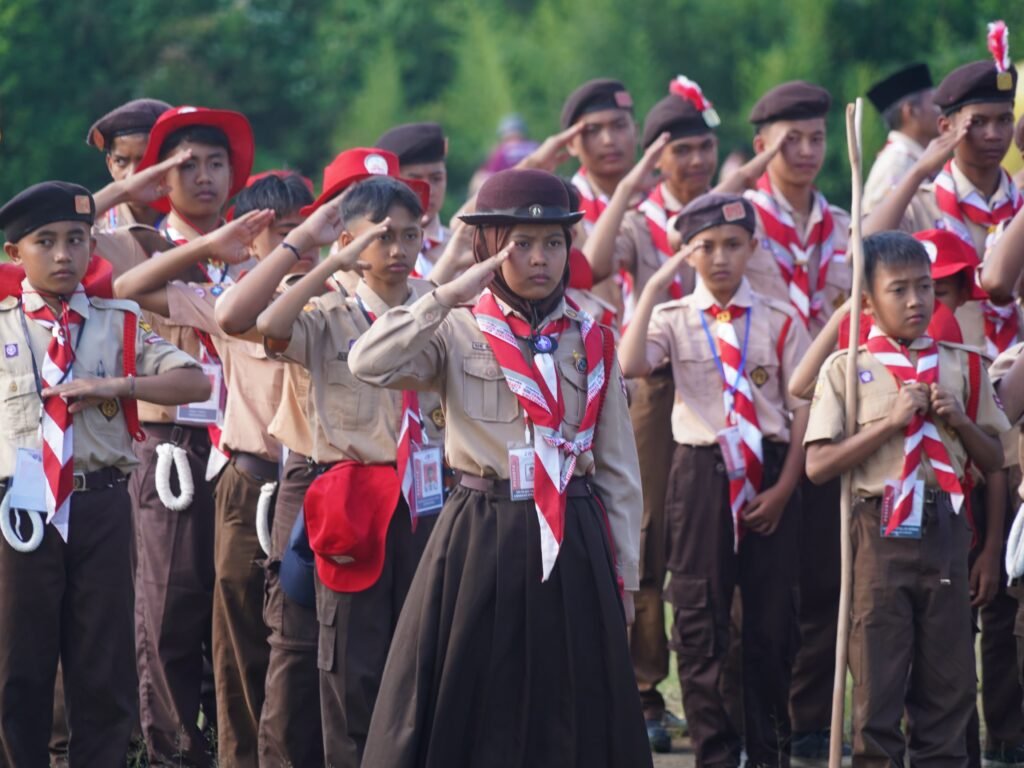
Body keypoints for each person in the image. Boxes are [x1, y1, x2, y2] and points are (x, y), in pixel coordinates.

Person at [348, 168, 650, 767]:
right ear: (488, 249)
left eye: (554, 244)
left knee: (573, 698)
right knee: (471, 692)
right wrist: (442, 295)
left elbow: (618, 471)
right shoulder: (454, 329)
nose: (539, 259)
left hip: (575, 535)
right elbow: (367, 362)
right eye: (520, 244)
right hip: (481, 531)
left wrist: (628, 577)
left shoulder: (592, 338)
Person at [0, 181, 211, 766]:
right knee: (20, 669)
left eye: (77, 240)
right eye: (46, 242)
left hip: (101, 504)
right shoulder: (5, 326)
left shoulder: (118, 322)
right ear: (15, 254)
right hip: (22, 506)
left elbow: (195, 381)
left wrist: (119, 385)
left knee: (102, 666)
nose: (65, 255)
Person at [114, 172, 315, 767]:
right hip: (249, 482)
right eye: (281, 235)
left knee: (302, 639)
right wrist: (206, 247)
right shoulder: (228, 302)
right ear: (253, 238)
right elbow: (129, 285)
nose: (297, 248)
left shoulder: (338, 300)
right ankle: (239, 757)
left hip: (314, 484)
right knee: (239, 638)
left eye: (305, 233)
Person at [252, 173, 441, 765]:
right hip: (351, 498)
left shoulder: (439, 307)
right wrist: (327, 261)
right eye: (381, 237)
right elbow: (265, 324)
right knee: (350, 665)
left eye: (410, 235)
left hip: (426, 497)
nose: (398, 250)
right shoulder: (325, 311)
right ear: (350, 244)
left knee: (422, 657)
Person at [619, 192, 811, 768]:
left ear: (754, 246)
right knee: (700, 621)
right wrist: (656, 287)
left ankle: (768, 750)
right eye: (706, 247)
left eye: (734, 244)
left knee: (771, 625)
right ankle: (715, 753)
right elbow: (630, 363)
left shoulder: (781, 319)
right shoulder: (674, 319)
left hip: (771, 472)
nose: (721, 257)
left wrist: (783, 490)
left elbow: (800, 410)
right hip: (701, 474)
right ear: (687, 253)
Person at [805, 231, 1009, 768]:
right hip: (878, 534)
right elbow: (819, 465)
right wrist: (890, 425)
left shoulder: (963, 366)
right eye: (899, 290)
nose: (917, 301)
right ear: (867, 302)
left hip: (945, 528)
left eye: (925, 288)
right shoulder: (847, 368)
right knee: (877, 679)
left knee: (949, 680)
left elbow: (994, 461)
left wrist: (959, 420)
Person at [127, 103, 256, 766]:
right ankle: (176, 753)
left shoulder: (257, 247)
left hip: (244, 448)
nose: (204, 177)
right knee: (172, 608)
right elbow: (116, 286)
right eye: (187, 166)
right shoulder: (139, 244)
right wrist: (195, 251)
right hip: (174, 447)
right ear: (161, 178)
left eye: (215, 163)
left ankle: (243, 749)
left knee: (239, 610)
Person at [741, 79, 852, 756]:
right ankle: (759, 717)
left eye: (816, 137)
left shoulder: (842, 224)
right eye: (792, 139)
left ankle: (811, 719)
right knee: (759, 592)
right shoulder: (740, 221)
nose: (807, 150)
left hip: (832, 415)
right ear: (762, 147)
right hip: (763, 419)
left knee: (825, 577)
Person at [375, 122, 450, 278]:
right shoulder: (369, 249)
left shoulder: (465, 249)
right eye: (415, 181)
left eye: (437, 179)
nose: (428, 190)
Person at [86, 98, 173, 230]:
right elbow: (56, 219)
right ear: (110, 165)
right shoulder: (94, 227)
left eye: (145, 161)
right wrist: (120, 191)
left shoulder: (193, 218)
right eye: (121, 162)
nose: (132, 174)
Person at [863, 64, 940, 214]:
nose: (941, 113)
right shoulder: (895, 164)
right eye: (934, 104)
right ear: (910, 111)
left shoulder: (913, 158)